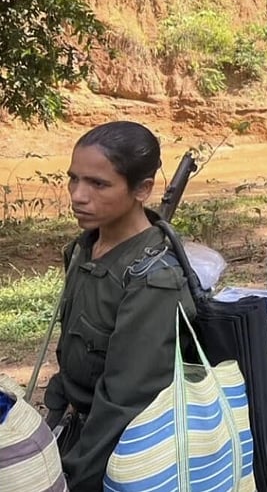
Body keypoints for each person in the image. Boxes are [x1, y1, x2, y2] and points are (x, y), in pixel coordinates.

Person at [42, 121, 196, 491]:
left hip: (121, 458)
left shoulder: (154, 278)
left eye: (98, 184)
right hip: (79, 434)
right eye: (73, 179)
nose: (78, 195)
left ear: (142, 189)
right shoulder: (84, 249)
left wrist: (72, 475)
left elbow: (125, 401)